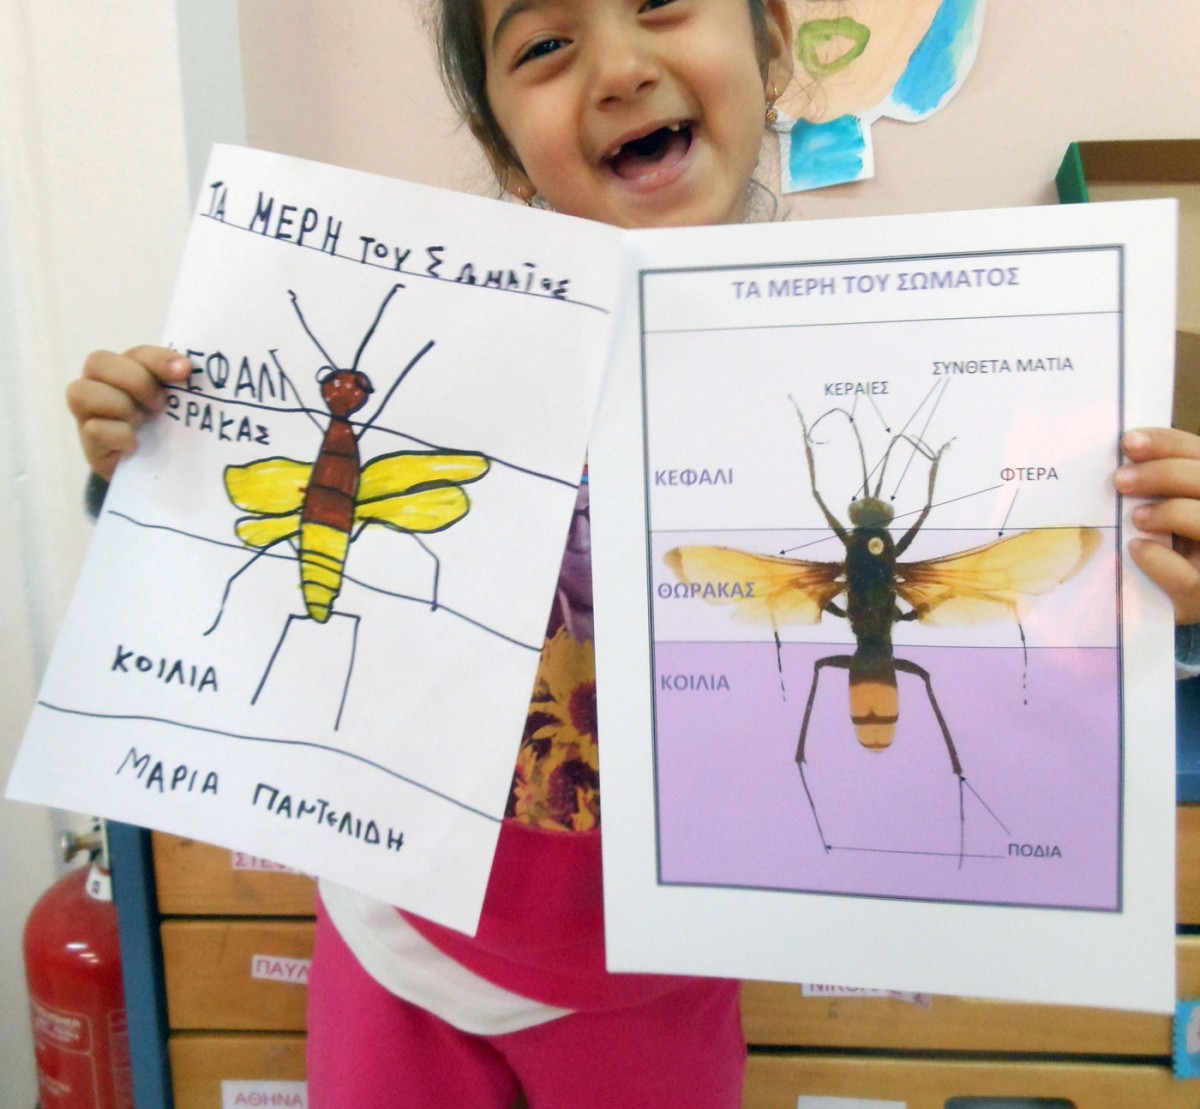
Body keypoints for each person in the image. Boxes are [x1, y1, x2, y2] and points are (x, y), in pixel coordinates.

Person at [64, 0, 1200, 1104]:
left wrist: (1163, 572)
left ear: (767, 45)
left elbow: (1041, 650)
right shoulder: (433, 347)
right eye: (546, 44)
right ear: (505, 149)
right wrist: (154, 460)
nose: (615, 66)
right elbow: (266, 555)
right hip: (394, 937)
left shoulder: (912, 361)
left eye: (662, 4)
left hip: (658, 978)